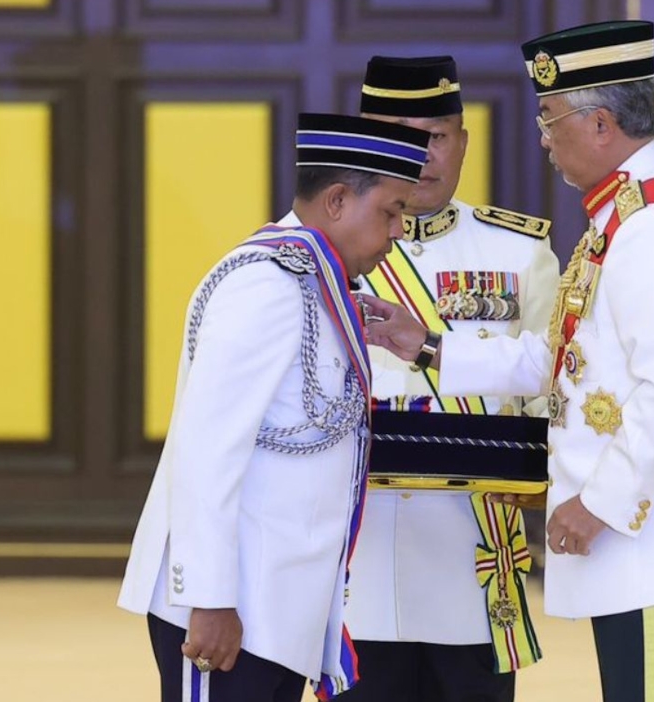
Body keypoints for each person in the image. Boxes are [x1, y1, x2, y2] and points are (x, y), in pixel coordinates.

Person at [362, 21, 654, 702]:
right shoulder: (621, 218)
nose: (544, 138)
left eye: (551, 120)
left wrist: (599, 505)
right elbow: (565, 361)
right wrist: (429, 346)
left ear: (602, 123)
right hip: (644, 543)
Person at [117, 113, 431, 702]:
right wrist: (208, 599)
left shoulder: (317, 285)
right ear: (337, 200)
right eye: (391, 212)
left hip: (277, 611)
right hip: (227, 611)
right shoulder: (266, 285)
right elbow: (206, 452)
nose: (397, 234)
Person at [343, 55, 561, 702]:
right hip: (361, 553)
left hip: (471, 553)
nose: (421, 153)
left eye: (435, 134)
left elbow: (550, 392)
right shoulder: (317, 250)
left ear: (463, 140)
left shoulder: (518, 253)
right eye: (399, 133)